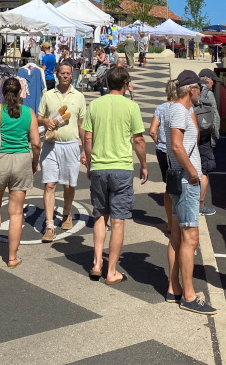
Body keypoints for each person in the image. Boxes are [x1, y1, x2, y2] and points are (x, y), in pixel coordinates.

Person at [82, 65, 148, 285]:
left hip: (99, 166)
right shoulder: (131, 106)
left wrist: (90, 164)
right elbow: (138, 140)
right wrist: (144, 164)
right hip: (121, 168)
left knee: (100, 216)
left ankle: (97, 263)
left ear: (107, 82)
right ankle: (111, 271)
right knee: (118, 221)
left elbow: (88, 138)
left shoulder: (95, 105)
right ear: (126, 84)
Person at [164, 70, 217, 315]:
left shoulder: (182, 110)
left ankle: (174, 288)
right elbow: (175, 145)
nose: (203, 93)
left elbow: (186, 140)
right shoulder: (177, 110)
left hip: (180, 180)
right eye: (200, 89)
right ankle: (188, 294)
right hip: (186, 181)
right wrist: (193, 172)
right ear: (192, 90)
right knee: (190, 238)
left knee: (177, 236)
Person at [0, 76, 41, 268]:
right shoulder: (29, 113)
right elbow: (36, 143)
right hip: (22, 160)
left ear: (2, 93)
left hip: (0, 161)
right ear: (20, 93)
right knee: (16, 213)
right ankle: (12, 258)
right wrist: (34, 163)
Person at [38, 62, 86, 242]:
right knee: (50, 185)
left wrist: (85, 149)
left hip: (71, 145)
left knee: (69, 185)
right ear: (57, 74)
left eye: (68, 73)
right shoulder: (48, 95)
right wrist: (44, 122)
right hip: (51, 145)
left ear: (71, 75)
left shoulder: (79, 96)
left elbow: (82, 125)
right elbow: (38, 116)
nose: (65, 76)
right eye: (62, 73)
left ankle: (67, 212)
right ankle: (50, 226)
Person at [148, 79, 182, 232]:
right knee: (182, 186)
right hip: (178, 151)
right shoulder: (182, 108)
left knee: (169, 187)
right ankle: (180, 220)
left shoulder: (161, 108)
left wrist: (159, 142)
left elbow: (152, 131)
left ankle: (169, 222)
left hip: (162, 150)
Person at [196, 69, 220, 217]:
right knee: (204, 171)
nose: (213, 84)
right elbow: (215, 117)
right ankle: (201, 205)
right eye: (212, 81)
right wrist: (215, 137)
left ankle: (190, 201)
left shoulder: (191, 89)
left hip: (192, 136)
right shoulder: (208, 94)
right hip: (205, 138)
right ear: (206, 79)